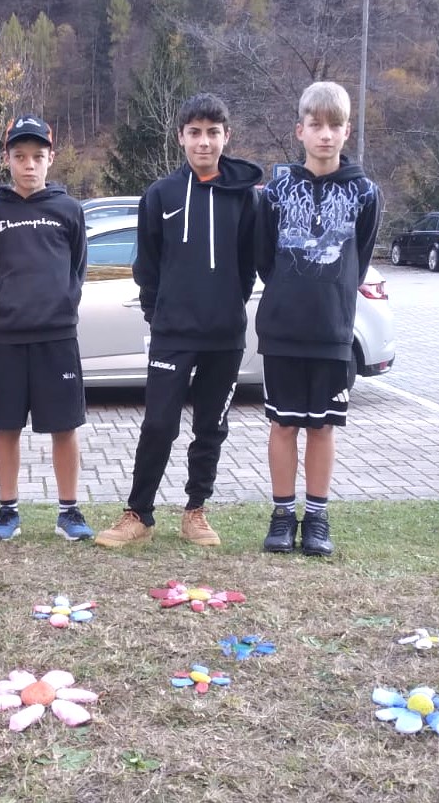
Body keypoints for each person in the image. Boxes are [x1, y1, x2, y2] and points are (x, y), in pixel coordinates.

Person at [95, 93, 261, 548]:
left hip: (225, 336)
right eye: (195, 133)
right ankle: (139, 514)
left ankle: (195, 511)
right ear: (181, 138)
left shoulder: (245, 198)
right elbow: (146, 265)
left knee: (211, 427)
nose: (204, 142)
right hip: (171, 333)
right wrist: (159, 313)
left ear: (226, 136)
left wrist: (226, 306)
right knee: (159, 424)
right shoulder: (160, 195)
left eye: (213, 133)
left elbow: (248, 267)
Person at [257, 81, 381, 557]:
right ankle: (282, 515)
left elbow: (358, 258)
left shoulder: (365, 193)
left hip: (332, 331)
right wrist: (292, 289)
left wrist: (331, 292)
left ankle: (317, 518)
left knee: (323, 427)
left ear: (347, 131)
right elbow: (264, 260)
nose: (325, 134)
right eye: (316, 125)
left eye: (335, 125)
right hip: (282, 329)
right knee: (284, 425)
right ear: (300, 131)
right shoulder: (274, 193)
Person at [0, 114, 93, 542]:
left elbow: (78, 268)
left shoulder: (69, 209)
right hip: (7, 337)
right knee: (6, 426)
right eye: (20, 156)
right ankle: (8, 511)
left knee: (64, 426)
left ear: (51, 159)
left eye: (38, 157)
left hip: (56, 337)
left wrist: (60, 304)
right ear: (7, 159)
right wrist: (9, 300)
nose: (29, 165)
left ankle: (69, 511)